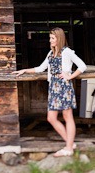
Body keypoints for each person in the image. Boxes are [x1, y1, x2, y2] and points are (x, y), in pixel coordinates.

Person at [15, 27, 86, 157]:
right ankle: (70, 143)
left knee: (67, 116)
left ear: (59, 39)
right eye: (50, 38)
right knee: (51, 118)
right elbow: (40, 68)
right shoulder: (50, 54)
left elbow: (82, 66)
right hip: (53, 88)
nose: (50, 40)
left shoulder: (67, 52)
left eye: (52, 38)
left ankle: (69, 148)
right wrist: (24, 70)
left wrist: (69, 76)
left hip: (64, 87)